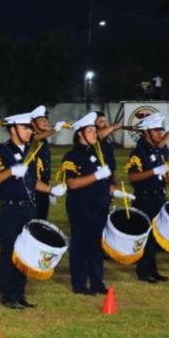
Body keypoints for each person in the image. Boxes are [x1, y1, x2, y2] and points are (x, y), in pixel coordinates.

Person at [0, 112, 50, 310]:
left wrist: (50, 190)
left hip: (29, 208)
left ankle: (20, 293)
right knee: (9, 251)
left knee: (25, 251)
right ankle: (7, 294)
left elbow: (32, 180)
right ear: (13, 129)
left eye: (30, 128)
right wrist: (10, 171)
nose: (30, 131)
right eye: (26, 128)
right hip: (11, 208)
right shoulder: (1, 151)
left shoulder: (30, 152)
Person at [62, 113, 124, 295]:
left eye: (94, 130)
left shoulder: (97, 153)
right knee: (81, 245)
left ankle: (97, 282)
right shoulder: (72, 156)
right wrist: (96, 176)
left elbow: (104, 181)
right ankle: (79, 284)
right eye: (90, 131)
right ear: (80, 134)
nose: (94, 134)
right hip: (81, 207)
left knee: (96, 246)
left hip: (98, 206)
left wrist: (113, 189)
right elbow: (72, 183)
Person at [124, 113, 169, 283]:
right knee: (145, 236)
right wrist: (153, 172)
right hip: (144, 199)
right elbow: (133, 177)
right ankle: (143, 271)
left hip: (158, 197)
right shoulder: (138, 153)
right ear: (146, 132)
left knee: (155, 236)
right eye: (156, 130)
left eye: (160, 129)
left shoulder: (157, 152)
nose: (160, 133)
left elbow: (161, 176)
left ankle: (153, 269)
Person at [29, 106, 70, 222]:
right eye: (41, 119)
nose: (45, 122)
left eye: (45, 119)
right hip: (32, 187)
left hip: (43, 186)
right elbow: (36, 137)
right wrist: (55, 130)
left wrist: (49, 190)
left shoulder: (44, 139)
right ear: (33, 122)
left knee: (42, 219)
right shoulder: (30, 137)